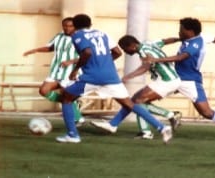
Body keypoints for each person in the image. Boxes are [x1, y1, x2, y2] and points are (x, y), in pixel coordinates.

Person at [56, 14, 172, 144]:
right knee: (129, 104)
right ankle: (162, 128)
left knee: (66, 98)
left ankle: (72, 135)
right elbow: (117, 52)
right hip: (111, 76)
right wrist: (104, 63)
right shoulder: (102, 34)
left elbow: (87, 52)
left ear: (75, 26)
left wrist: (76, 69)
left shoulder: (77, 35)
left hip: (92, 76)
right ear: (90, 24)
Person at [144, 17, 215, 143]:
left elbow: (180, 57)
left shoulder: (196, 44)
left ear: (190, 31)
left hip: (190, 81)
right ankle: (148, 130)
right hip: (173, 78)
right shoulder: (200, 37)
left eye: (181, 30)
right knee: (141, 99)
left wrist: (155, 60)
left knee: (207, 113)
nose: (179, 32)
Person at [91, 35, 182, 140]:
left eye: (125, 49)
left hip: (166, 81)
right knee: (134, 100)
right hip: (170, 79)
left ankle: (150, 129)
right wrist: (180, 39)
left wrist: (128, 76)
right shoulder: (149, 44)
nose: (125, 52)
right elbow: (165, 40)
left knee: (137, 101)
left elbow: (145, 67)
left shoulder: (143, 51)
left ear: (132, 46)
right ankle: (114, 125)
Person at [23, 17, 85, 126]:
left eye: (70, 26)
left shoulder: (80, 38)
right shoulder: (59, 36)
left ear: (75, 26)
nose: (67, 28)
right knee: (43, 90)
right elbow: (51, 47)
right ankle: (73, 103)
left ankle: (77, 118)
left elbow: (87, 55)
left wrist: (71, 61)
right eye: (65, 26)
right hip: (56, 71)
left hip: (70, 73)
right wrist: (35, 50)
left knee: (66, 94)